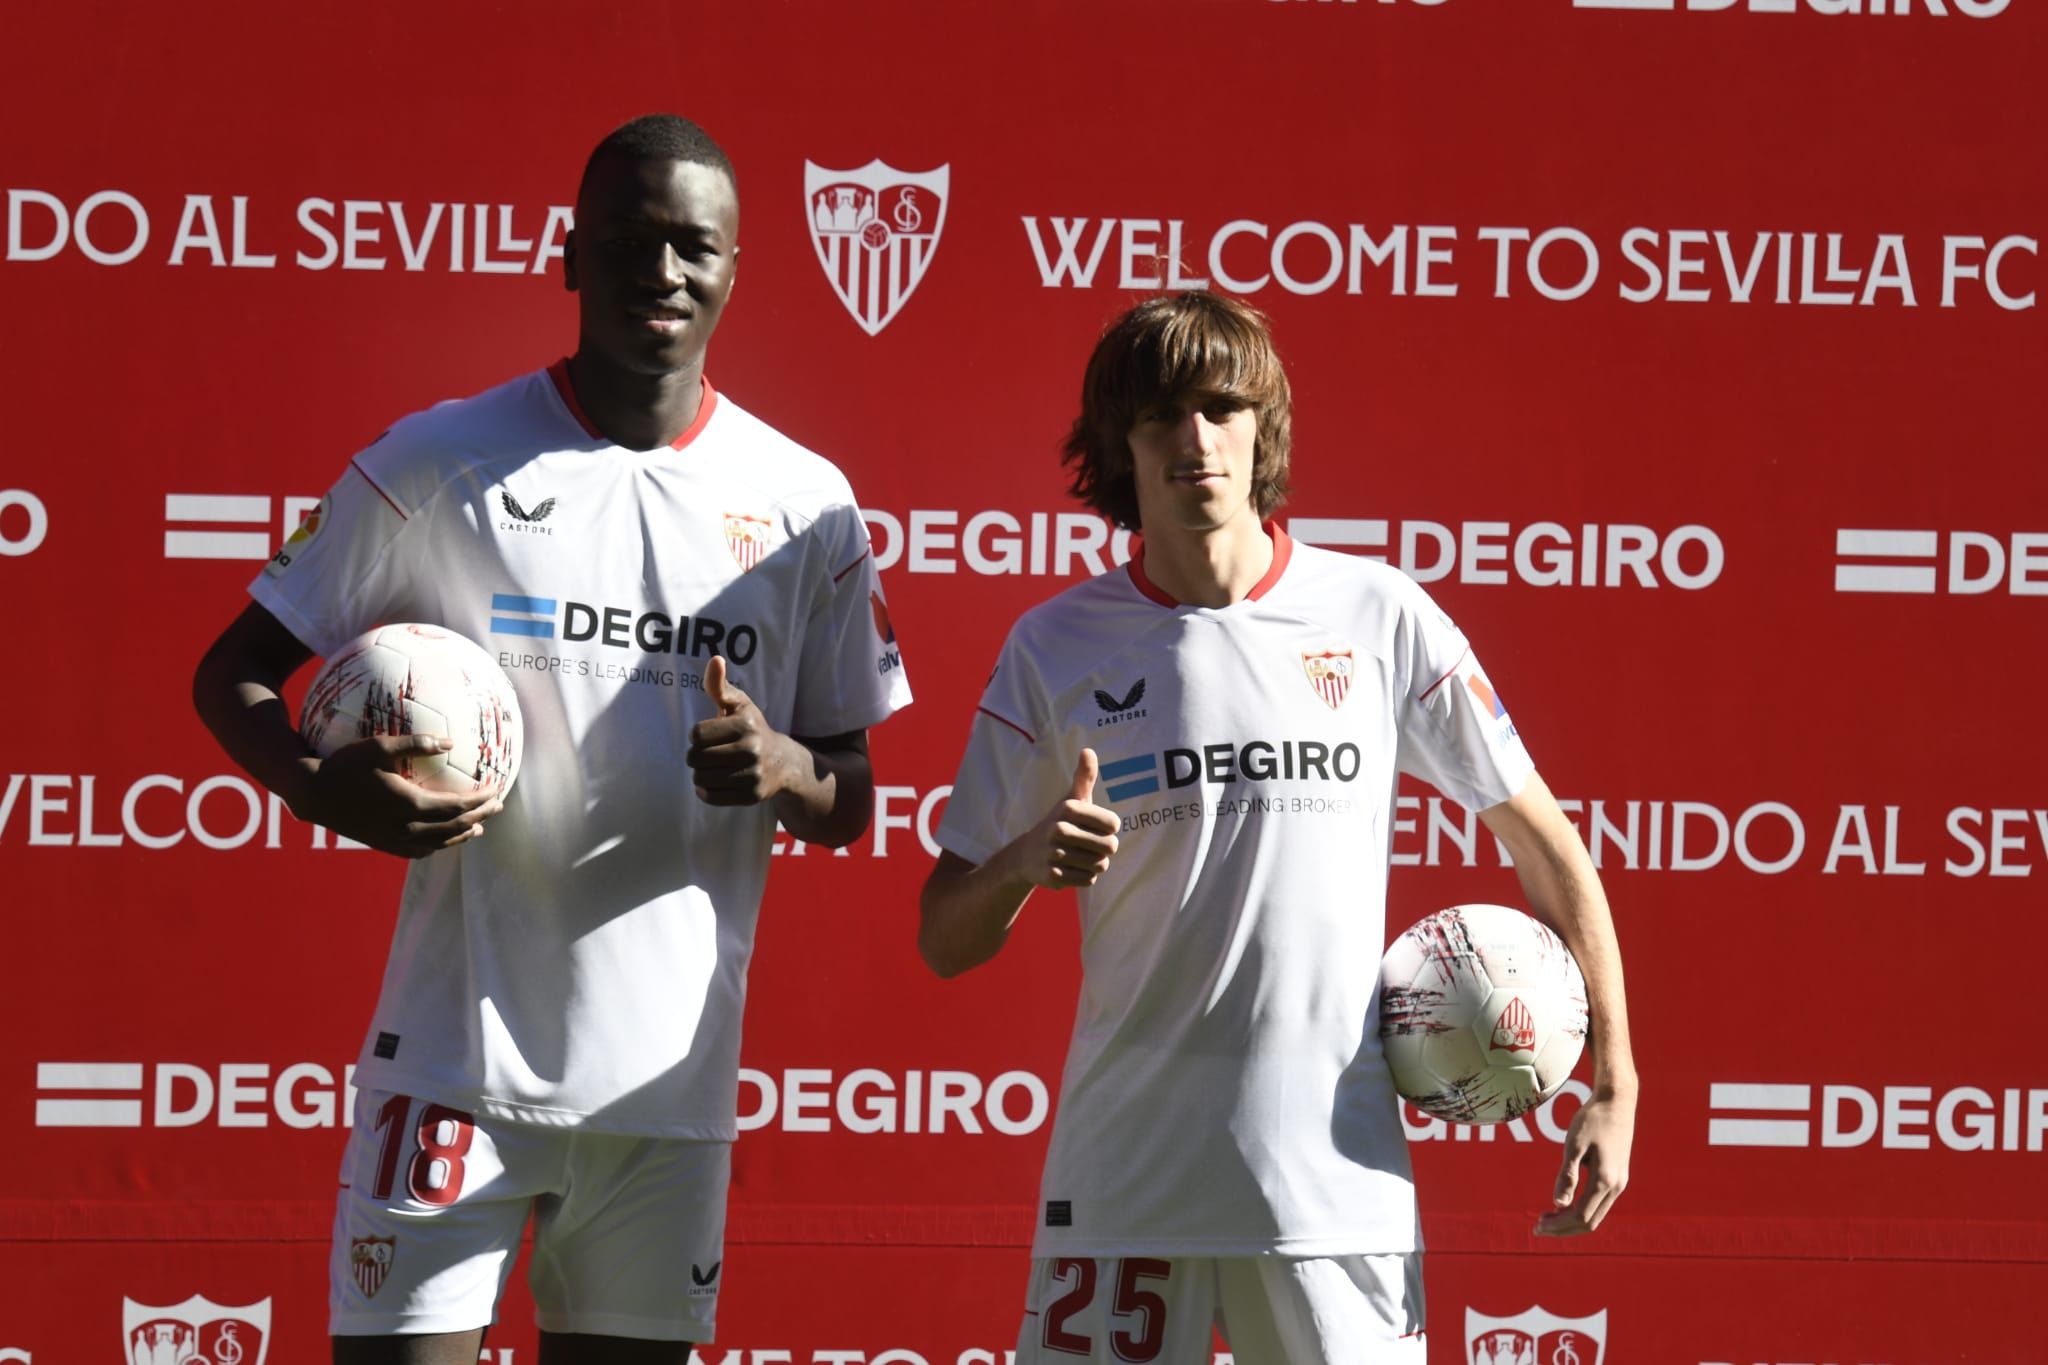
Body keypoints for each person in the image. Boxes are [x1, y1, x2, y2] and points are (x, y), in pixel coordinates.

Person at [192, 114, 911, 1364]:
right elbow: (232, 675)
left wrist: (788, 768)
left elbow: (849, 794)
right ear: (566, 256)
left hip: (660, 1100)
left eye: (695, 246)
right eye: (629, 241)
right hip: (451, 1068)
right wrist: (316, 785)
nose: (662, 273)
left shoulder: (808, 505)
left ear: (737, 270)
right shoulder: (441, 459)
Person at [918, 292, 1634, 1363]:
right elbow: (943, 936)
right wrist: (1027, 862)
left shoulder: (1376, 614)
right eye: (1161, 414)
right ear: (1119, 441)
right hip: (1124, 1190)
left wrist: (1614, 1081)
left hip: (1334, 1196)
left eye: (1221, 407)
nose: (1194, 440)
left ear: (1264, 427)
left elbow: (1544, 845)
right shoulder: (1051, 647)